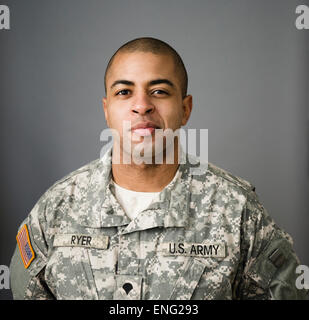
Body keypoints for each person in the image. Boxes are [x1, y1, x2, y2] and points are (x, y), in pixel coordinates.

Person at [10, 37, 308, 300]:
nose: (142, 105)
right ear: (106, 110)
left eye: (160, 91)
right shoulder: (57, 208)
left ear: (185, 108)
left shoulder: (238, 209)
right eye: (124, 92)